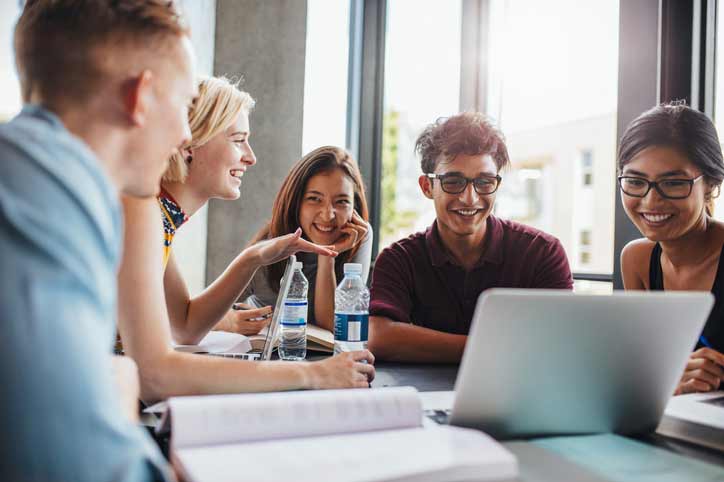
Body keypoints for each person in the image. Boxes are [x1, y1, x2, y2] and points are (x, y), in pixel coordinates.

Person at [0, 1, 198, 480]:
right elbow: (76, 463)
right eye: (186, 105)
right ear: (142, 97)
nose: (187, 133)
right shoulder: (47, 194)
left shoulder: (31, 172)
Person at [118, 78, 375, 403]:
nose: (251, 157)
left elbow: (185, 326)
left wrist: (252, 258)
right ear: (189, 143)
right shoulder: (143, 215)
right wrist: (314, 374)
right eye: (239, 140)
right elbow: (156, 374)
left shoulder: (161, 220)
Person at [368, 112, 573, 363]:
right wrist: (500, 349)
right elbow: (380, 336)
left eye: (484, 182)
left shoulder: (542, 253)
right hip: (421, 398)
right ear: (426, 187)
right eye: (453, 182)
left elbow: (557, 343)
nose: (470, 198)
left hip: (515, 398)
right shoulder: (398, 259)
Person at [619, 102, 724, 394]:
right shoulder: (637, 259)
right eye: (635, 181)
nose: (651, 202)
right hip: (679, 418)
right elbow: (647, 366)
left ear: (712, 184)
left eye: (674, 183)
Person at [243, 146, 372, 332]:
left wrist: (327, 254)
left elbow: (332, 325)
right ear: (296, 203)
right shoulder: (268, 249)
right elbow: (211, 316)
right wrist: (233, 321)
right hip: (272, 354)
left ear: (355, 207)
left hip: (324, 356)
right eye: (314, 199)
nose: (328, 215)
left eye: (342, 201)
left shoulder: (359, 235)